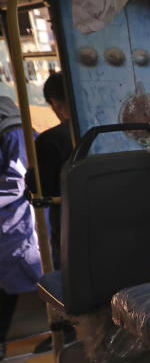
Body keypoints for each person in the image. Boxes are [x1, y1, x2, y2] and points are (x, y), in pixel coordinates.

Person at [0, 96, 43, 360]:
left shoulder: (13, 130)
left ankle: (66, 332)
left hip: (19, 219)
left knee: (28, 273)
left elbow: (18, 180)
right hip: (8, 220)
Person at [36, 72, 73, 270]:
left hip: (70, 232)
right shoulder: (112, 131)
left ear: (55, 103)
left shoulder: (49, 140)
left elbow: (43, 192)